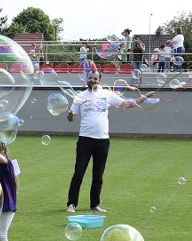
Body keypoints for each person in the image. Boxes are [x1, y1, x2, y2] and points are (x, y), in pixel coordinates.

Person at [65, 69, 154, 213]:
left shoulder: (106, 94)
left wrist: (143, 98)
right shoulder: (80, 97)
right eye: (90, 78)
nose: (93, 80)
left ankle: (95, 204)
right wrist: (70, 114)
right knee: (79, 173)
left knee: (98, 175)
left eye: (95, 78)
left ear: (99, 80)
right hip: (85, 140)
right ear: (86, 79)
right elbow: (71, 118)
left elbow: (126, 104)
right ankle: (71, 204)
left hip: (103, 140)